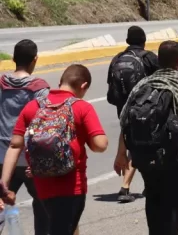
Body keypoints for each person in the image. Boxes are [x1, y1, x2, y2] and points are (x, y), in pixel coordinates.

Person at [116, 41, 178, 235]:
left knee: (153, 198)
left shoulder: (142, 85)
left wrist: (121, 153)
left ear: (158, 60)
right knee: (174, 204)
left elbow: (125, 120)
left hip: (146, 156)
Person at [3, 64, 107, 235]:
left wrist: (4, 184)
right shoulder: (82, 107)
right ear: (84, 86)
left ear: (60, 81)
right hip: (73, 186)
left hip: (43, 184)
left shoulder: (33, 106)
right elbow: (100, 145)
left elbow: (14, 145)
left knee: (56, 226)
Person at [0, 40, 50, 235]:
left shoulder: (2, 85)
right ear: (35, 60)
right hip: (30, 159)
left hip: (3, 158)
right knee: (43, 206)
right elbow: (44, 125)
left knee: (2, 203)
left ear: (13, 59)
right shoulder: (40, 89)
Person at [106, 25, 159, 204]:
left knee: (132, 143)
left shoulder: (117, 59)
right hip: (145, 109)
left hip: (123, 110)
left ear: (127, 41)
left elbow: (110, 89)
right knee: (143, 147)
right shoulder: (149, 58)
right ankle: (126, 186)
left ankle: (135, 185)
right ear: (144, 41)